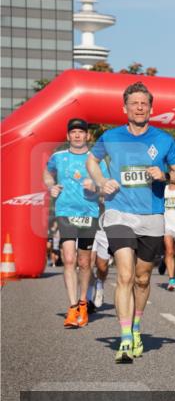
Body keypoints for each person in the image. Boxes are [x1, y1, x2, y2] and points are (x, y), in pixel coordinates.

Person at [87, 81, 175, 364]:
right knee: (125, 275)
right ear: (125, 108)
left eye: (144, 103)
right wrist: (102, 181)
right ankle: (125, 338)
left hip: (152, 216)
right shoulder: (110, 137)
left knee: (142, 279)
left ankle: (137, 326)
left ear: (151, 108)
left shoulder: (164, 140)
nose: (140, 107)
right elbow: (92, 162)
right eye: (134, 103)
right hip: (119, 213)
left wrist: (165, 175)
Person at [43, 118, 107, 328]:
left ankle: (82, 303)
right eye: (73, 132)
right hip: (65, 212)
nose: (77, 135)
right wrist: (51, 186)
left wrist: (96, 187)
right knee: (68, 259)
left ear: (88, 135)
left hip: (88, 213)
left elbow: (106, 186)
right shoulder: (58, 157)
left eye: (81, 132)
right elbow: (46, 172)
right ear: (68, 135)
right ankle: (72, 309)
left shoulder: (97, 160)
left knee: (84, 262)